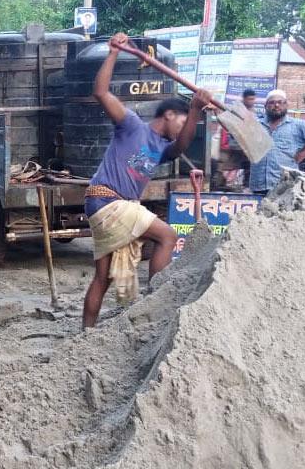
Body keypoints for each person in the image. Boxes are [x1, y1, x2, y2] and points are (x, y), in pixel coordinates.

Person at [82, 32, 212, 328]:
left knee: (103, 278)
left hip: (106, 204)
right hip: (107, 200)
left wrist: (194, 111)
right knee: (167, 236)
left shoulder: (162, 149)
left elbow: (181, 146)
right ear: (168, 115)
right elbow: (101, 92)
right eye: (180, 120)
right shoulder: (131, 125)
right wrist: (114, 52)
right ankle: (157, 299)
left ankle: (85, 333)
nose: (183, 129)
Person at [249, 89, 305, 195]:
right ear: (266, 106)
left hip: (284, 186)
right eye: (272, 103)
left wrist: (303, 154)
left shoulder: (297, 125)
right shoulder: (256, 125)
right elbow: (235, 131)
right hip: (258, 184)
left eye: (280, 102)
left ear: (286, 105)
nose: (276, 105)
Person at [217, 89, 257, 189]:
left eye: (253, 99)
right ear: (244, 99)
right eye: (249, 99)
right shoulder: (237, 110)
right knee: (224, 168)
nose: (251, 101)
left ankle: (246, 188)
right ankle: (218, 186)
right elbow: (229, 125)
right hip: (235, 146)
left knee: (249, 169)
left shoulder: (253, 112)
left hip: (247, 148)